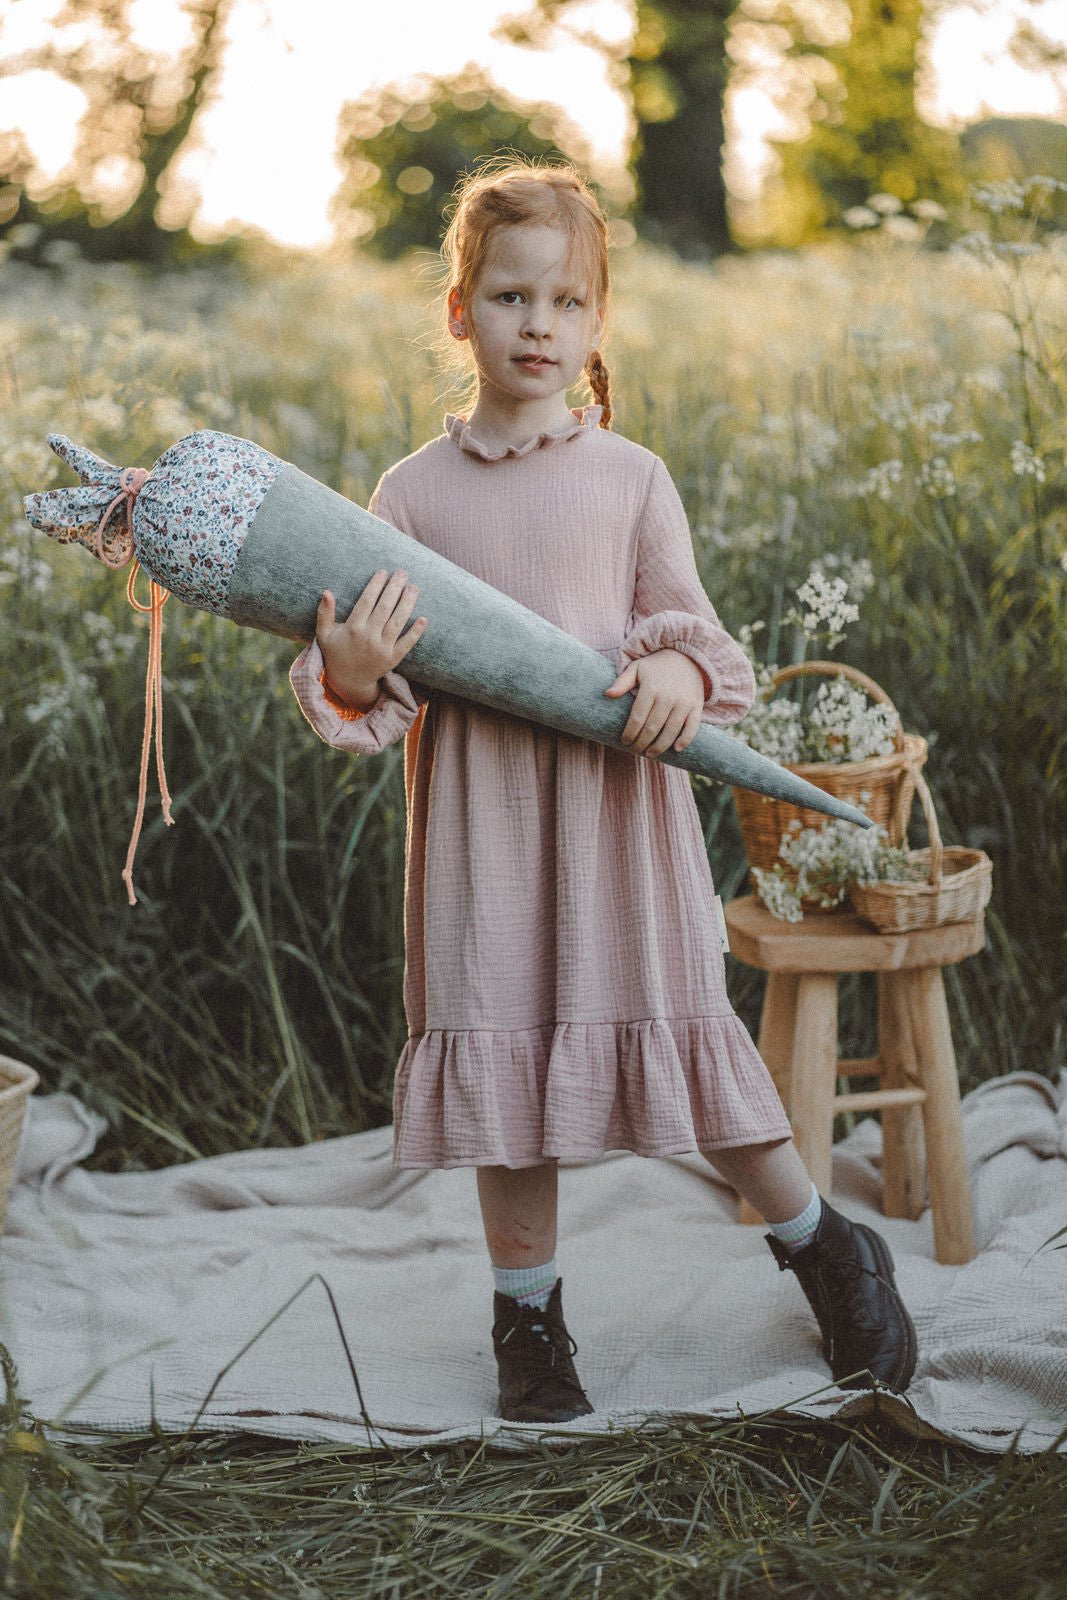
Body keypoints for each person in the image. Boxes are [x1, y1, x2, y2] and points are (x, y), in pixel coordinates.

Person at [289, 158, 917, 1422]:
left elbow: (685, 629)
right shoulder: (409, 497)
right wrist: (351, 671)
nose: (540, 325)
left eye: (567, 302)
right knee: (507, 1082)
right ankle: (528, 1320)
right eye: (512, 298)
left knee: (688, 1047)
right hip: (483, 837)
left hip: (616, 826)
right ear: (459, 311)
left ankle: (821, 1246)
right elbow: (372, 683)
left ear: (596, 321)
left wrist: (680, 668)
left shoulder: (629, 478)